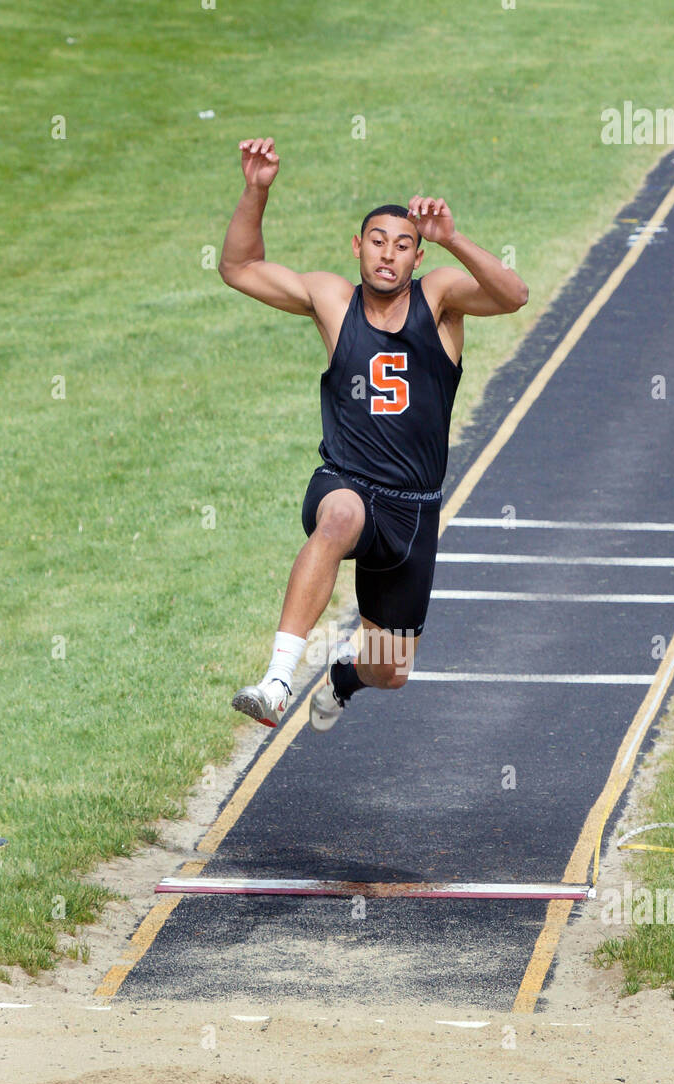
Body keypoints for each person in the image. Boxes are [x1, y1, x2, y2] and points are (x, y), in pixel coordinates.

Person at [220, 137, 528, 732]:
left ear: (417, 257)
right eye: (378, 243)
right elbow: (238, 268)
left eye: (404, 245)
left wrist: (453, 238)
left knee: (391, 671)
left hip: (413, 509)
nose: (388, 256)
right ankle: (278, 679)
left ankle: (343, 677)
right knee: (337, 520)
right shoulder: (332, 301)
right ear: (358, 248)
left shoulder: (439, 300)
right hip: (348, 480)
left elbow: (512, 296)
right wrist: (257, 189)